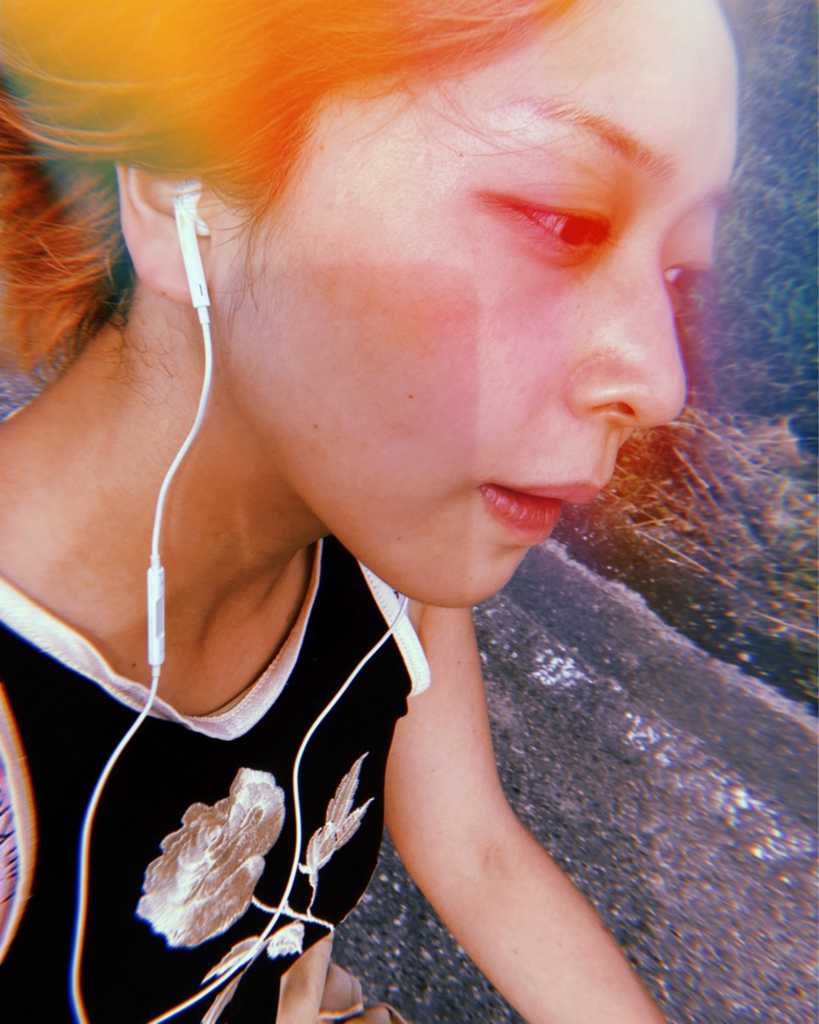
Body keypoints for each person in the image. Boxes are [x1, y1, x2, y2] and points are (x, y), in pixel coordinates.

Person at [0, 0, 738, 1021]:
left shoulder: (378, 541)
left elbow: (476, 850)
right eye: (563, 218)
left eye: (676, 270)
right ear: (183, 184)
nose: (660, 383)